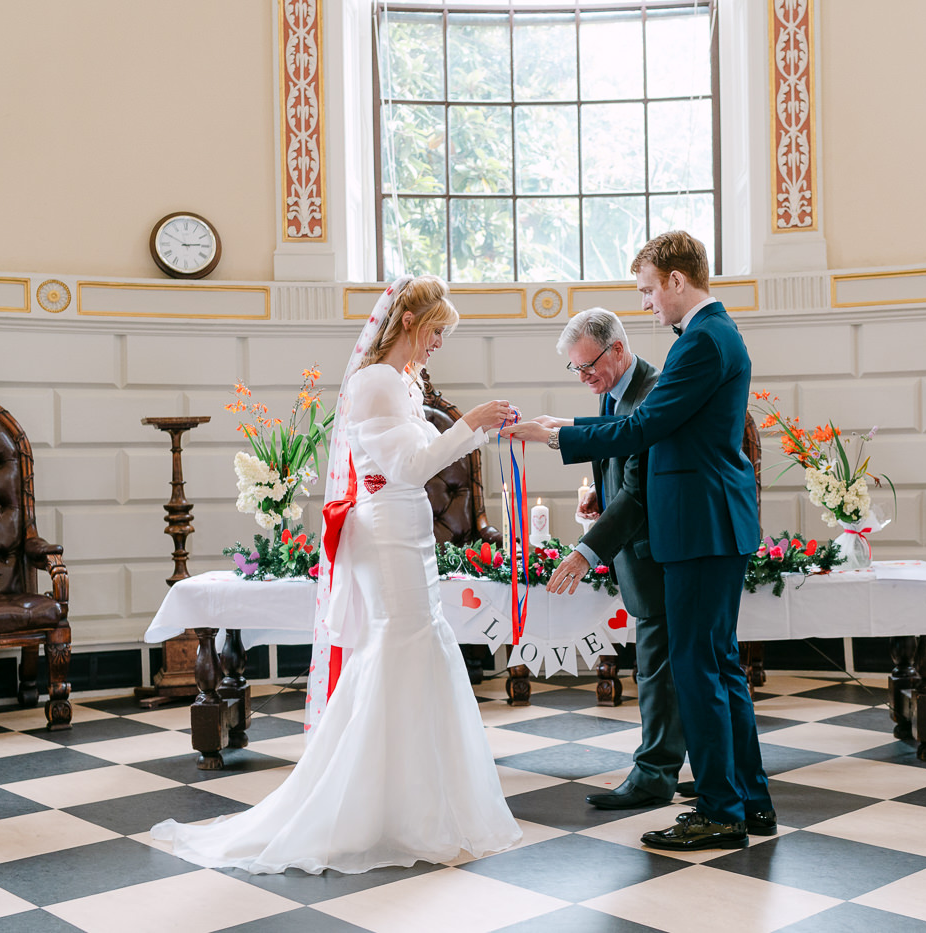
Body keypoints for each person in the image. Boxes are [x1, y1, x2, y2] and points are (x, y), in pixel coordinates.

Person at [153, 275, 522, 873]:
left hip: (409, 536)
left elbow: (424, 453)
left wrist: (500, 428)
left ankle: (414, 803)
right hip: (387, 537)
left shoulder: (402, 382)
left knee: (417, 647)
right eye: (436, 331)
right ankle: (364, 807)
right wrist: (471, 422)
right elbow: (407, 466)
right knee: (398, 649)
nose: (438, 344)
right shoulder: (375, 381)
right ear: (409, 322)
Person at [503, 231, 773, 852]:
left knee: (698, 668)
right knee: (720, 666)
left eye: (650, 289)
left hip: (700, 526)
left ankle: (719, 811)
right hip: (706, 524)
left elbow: (649, 424)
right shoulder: (707, 337)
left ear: (677, 280)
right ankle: (749, 800)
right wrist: (569, 425)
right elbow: (659, 427)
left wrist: (558, 436)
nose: (648, 302)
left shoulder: (704, 339)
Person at [535, 308, 687, 810]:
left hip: (659, 554)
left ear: (617, 349)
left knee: (658, 672)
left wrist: (585, 552)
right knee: (657, 669)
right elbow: (617, 460)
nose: (584, 378)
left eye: (588, 366)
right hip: (638, 552)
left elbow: (640, 492)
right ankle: (693, 769)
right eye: (576, 369)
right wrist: (599, 494)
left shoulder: (653, 391)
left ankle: (654, 777)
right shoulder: (613, 389)